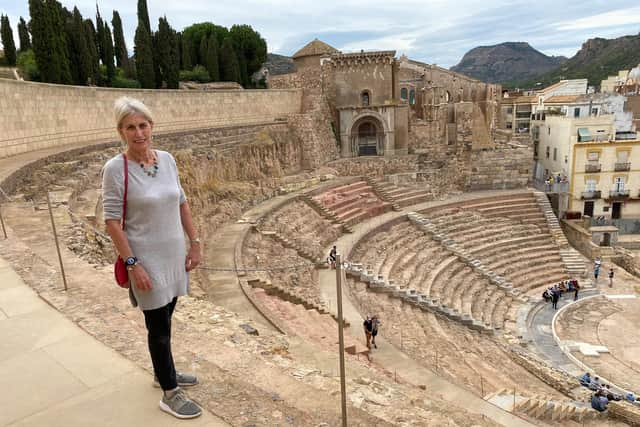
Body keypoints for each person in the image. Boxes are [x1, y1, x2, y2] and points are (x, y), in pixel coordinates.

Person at [102, 97, 203, 419]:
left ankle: (164, 372)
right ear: (121, 131)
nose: (138, 132)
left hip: (173, 257)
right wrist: (133, 264)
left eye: (143, 125)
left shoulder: (168, 160)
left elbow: (182, 203)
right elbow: (112, 221)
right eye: (130, 127)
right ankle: (169, 393)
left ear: (152, 126)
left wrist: (196, 242)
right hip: (145, 261)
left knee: (167, 317)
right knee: (157, 326)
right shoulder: (115, 169)